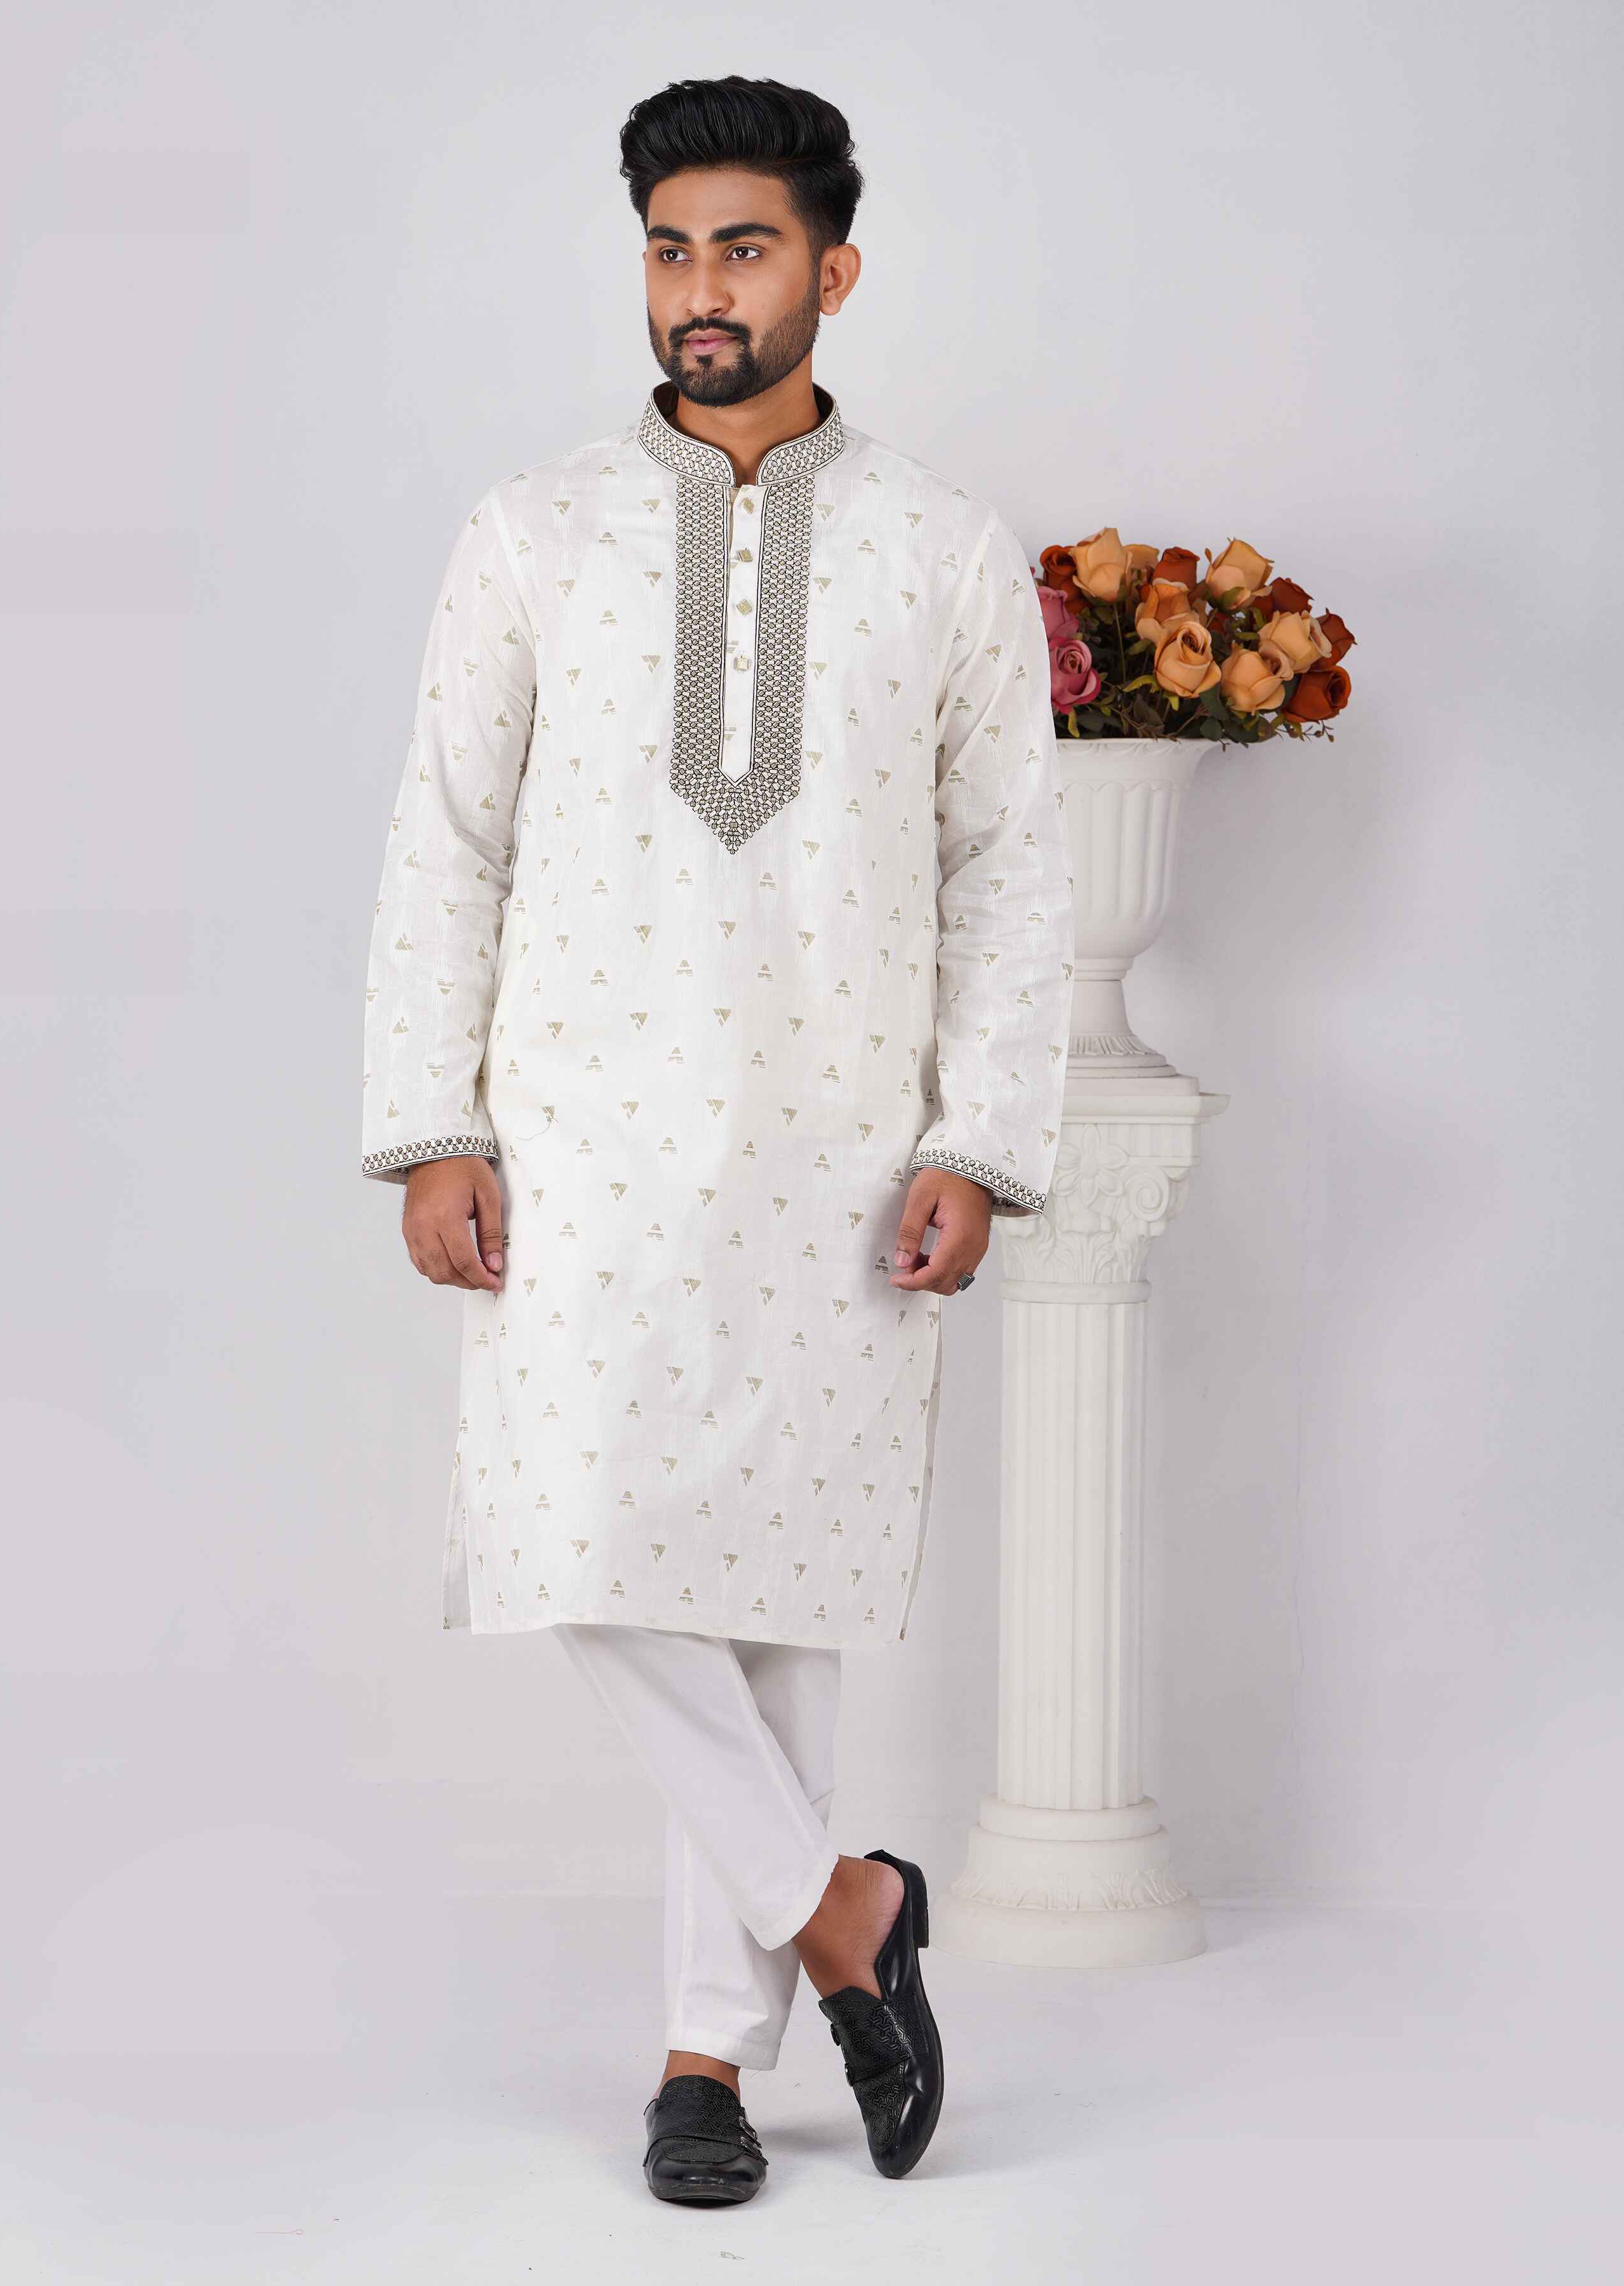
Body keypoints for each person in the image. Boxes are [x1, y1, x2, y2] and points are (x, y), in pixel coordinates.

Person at [362, 74, 1075, 2203]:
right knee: (577, 1533)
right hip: (577, 1127)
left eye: (742, 248)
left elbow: (1010, 867)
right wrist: (431, 1124)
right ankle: (848, 1914)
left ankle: (706, 2061)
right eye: (670, 248)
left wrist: (977, 1138)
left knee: (773, 1598)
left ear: (831, 273)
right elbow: (448, 838)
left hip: (837, 1130)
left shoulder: (939, 551)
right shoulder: (533, 531)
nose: (699, 287)